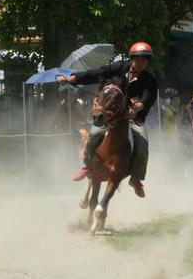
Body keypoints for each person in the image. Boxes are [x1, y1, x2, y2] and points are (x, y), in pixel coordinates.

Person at [57, 42, 159, 198]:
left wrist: (137, 108)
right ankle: (86, 166)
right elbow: (96, 73)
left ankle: (136, 178)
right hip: (110, 115)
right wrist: (72, 79)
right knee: (93, 132)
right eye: (139, 59)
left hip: (131, 118)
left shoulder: (149, 79)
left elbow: (148, 98)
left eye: (145, 60)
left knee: (143, 140)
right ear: (132, 58)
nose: (142, 62)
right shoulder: (119, 68)